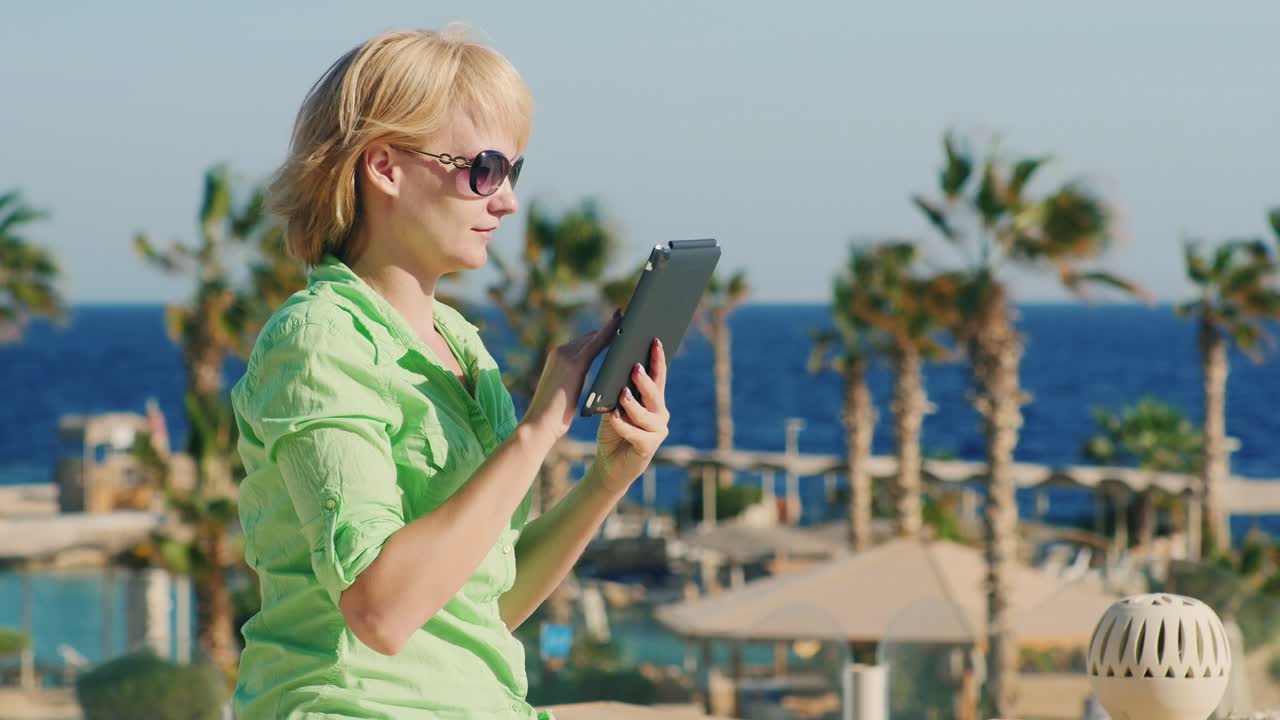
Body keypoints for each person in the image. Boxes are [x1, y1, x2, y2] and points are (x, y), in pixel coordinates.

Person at [229, 26, 670, 719]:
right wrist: (537, 433)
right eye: (483, 170)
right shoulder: (317, 341)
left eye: (512, 173)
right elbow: (380, 612)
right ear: (384, 166)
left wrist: (608, 480)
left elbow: (482, 602)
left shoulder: (460, 346)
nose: (507, 202)